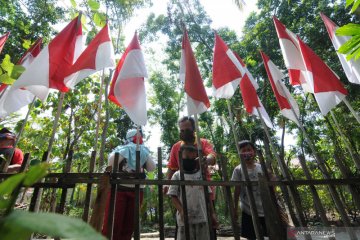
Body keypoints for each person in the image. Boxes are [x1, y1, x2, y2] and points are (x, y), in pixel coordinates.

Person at [102, 129, 156, 240]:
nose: (140, 138)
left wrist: (144, 154)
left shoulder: (144, 151)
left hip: (137, 190)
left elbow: (152, 168)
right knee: (113, 223)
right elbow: (111, 162)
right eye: (138, 136)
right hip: (119, 189)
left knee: (129, 225)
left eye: (141, 136)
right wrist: (126, 150)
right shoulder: (122, 149)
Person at [167, 145, 218, 240]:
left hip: (202, 218)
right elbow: (173, 196)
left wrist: (212, 213)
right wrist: (181, 210)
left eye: (193, 158)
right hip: (184, 220)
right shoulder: (177, 175)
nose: (190, 160)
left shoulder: (201, 175)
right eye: (186, 158)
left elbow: (208, 196)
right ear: (181, 158)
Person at [165, 116, 216, 198]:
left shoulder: (203, 142)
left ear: (194, 129)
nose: (184, 132)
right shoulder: (176, 147)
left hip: (204, 188)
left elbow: (212, 156)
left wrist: (206, 159)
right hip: (183, 190)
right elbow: (172, 168)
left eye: (187, 130)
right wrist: (167, 184)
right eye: (182, 130)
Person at [231, 140, 268, 239]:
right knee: (250, 236)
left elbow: (270, 186)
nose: (247, 152)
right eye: (243, 150)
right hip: (248, 209)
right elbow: (237, 190)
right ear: (239, 153)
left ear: (254, 151)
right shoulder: (238, 170)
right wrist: (235, 208)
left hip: (264, 208)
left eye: (249, 150)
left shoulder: (261, 168)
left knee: (267, 234)